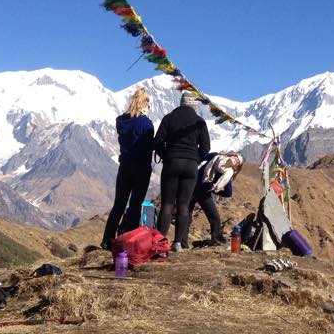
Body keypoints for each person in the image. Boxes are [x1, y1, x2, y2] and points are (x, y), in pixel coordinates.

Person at [153, 91, 210, 251]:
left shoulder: (169, 118)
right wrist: (195, 158)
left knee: (167, 203)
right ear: (195, 105)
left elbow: (157, 142)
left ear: (181, 102)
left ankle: (160, 243)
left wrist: (167, 156)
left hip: (172, 162)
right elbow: (206, 147)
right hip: (191, 166)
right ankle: (177, 243)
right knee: (184, 204)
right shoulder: (200, 122)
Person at [101, 87, 154, 250]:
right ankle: (128, 241)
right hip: (141, 168)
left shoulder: (121, 121)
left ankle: (107, 239)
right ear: (145, 103)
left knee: (119, 204)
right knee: (135, 205)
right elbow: (149, 147)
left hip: (124, 166)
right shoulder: (146, 123)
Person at [181, 152, 244, 248]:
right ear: (231, 155)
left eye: (238, 162)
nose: (235, 160)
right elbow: (200, 158)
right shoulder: (215, 157)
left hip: (204, 194)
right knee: (186, 217)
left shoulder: (227, 173)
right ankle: (183, 244)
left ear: (236, 166)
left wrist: (214, 190)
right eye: (236, 157)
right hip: (191, 188)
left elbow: (228, 193)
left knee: (215, 217)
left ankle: (216, 240)